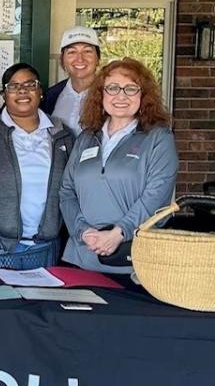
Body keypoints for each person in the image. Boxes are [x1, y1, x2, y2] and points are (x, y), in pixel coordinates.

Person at [60, 58, 178, 274]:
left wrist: (118, 233)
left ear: (143, 96)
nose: (121, 96)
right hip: (82, 256)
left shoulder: (158, 138)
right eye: (112, 88)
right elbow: (66, 191)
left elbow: (157, 197)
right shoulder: (87, 137)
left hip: (132, 261)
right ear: (100, 94)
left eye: (130, 89)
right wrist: (83, 232)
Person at [0, 63, 74, 265]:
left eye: (30, 84)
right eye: (13, 86)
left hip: (45, 245)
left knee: (41, 297)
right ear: (4, 96)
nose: (22, 91)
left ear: (40, 92)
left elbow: (72, 184)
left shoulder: (61, 133)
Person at [41, 26, 101, 136]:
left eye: (87, 51)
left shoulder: (110, 95)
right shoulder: (50, 96)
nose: (80, 59)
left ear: (98, 58)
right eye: (72, 52)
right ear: (62, 60)